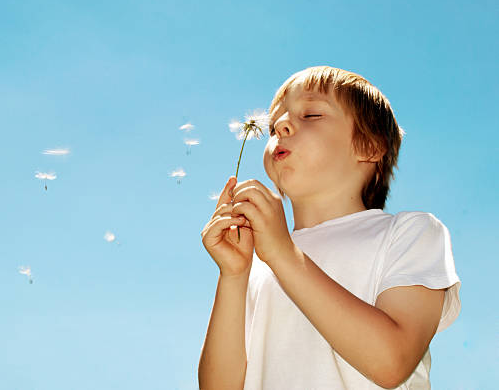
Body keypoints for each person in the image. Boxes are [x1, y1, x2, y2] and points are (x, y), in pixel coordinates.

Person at [198, 66, 461, 390]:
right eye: (273, 125)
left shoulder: (410, 233)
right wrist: (234, 276)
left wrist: (283, 254)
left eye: (310, 115)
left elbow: (392, 362)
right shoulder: (260, 265)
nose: (280, 125)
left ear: (368, 146)